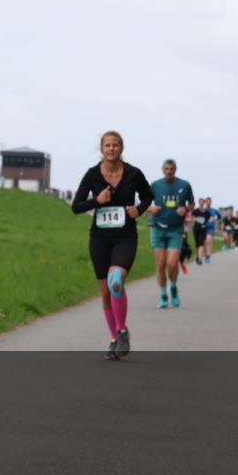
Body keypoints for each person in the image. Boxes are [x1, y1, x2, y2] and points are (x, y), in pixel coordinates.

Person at [72, 131, 153, 360]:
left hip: (125, 237)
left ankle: (122, 331)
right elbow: (76, 206)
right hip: (99, 239)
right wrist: (96, 201)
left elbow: (148, 196)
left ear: (121, 148)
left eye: (115, 145)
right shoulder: (92, 175)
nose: (111, 149)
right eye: (107, 145)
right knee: (106, 293)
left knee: (115, 282)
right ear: (102, 149)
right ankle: (114, 339)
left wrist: (139, 209)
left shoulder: (134, 173)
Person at [149, 159, 195, 308]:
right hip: (158, 228)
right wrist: (150, 208)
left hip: (176, 229)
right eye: (166, 169)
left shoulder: (184, 185)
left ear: (175, 169)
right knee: (160, 263)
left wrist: (186, 209)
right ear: (162, 170)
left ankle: (173, 287)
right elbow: (145, 201)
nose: (169, 171)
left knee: (172, 262)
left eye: (171, 169)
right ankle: (163, 295)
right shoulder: (155, 185)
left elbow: (192, 203)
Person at [191, 198, 210, 265]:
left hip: (203, 229)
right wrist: (196, 219)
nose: (201, 203)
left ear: (204, 203)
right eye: (200, 202)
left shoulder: (207, 212)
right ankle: (197, 256)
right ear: (199, 203)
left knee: (201, 243)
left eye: (202, 202)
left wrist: (204, 223)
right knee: (197, 244)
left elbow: (208, 219)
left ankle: (200, 259)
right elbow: (192, 218)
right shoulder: (195, 211)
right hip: (196, 228)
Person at [204, 197, 220, 263]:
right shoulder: (203, 210)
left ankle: (208, 256)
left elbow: (219, 216)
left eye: (209, 201)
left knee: (209, 241)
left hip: (211, 228)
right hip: (203, 228)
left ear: (211, 202)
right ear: (205, 202)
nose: (208, 202)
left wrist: (215, 219)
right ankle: (206, 255)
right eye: (207, 201)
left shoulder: (214, 210)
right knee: (205, 242)